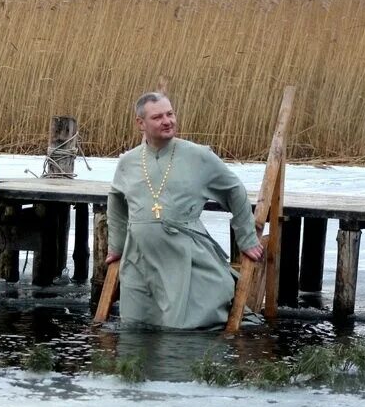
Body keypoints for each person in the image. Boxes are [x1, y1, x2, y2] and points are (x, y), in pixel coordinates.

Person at [105, 92, 264, 329]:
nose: (167, 121)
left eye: (170, 114)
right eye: (158, 117)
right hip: (140, 259)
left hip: (184, 256)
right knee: (137, 330)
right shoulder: (128, 162)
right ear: (141, 123)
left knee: (183, 328)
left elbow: (235, 191)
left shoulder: (198, 156)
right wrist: (116, 246)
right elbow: (116, 201)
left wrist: (247, 238)